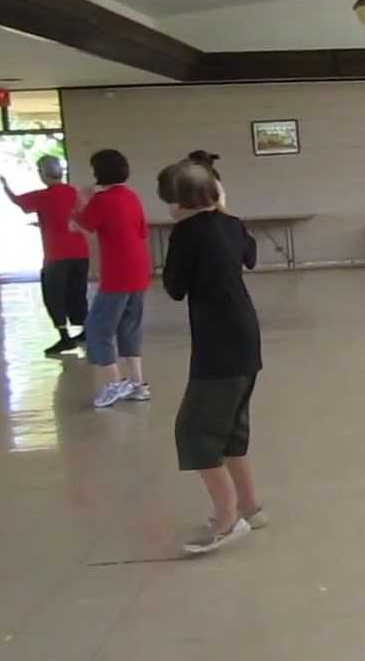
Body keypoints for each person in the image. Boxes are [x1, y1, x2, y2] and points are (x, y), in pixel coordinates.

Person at [160, 161, 265, 554]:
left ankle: (226, 516)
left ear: (177, 201)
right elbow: (250, 257)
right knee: (231, 427)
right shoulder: (231, 224)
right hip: (245, 334)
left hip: (216, 340)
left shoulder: (185, 233)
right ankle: (249, 506)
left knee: (195, 431)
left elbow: (174, 287)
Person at [71, 149, 151, 408]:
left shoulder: (102, 200)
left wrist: (82, 202)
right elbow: (141, 231)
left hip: (118, 273)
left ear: (99, 172)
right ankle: (138, 385)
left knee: (97, 328)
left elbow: (80, 225)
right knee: (129, 326)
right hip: (139, 269)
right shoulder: (132, 196)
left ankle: (114, 383)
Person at [0, 156, 90, 356]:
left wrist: (5, 186)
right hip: (80, 253)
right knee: (77, 292)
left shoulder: (43, 195)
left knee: (53, 295)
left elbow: (17, 201)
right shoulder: (73, 192)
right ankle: (85, 331)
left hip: (57, 256)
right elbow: (71, 215)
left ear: (43, 173)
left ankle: (65, 338)